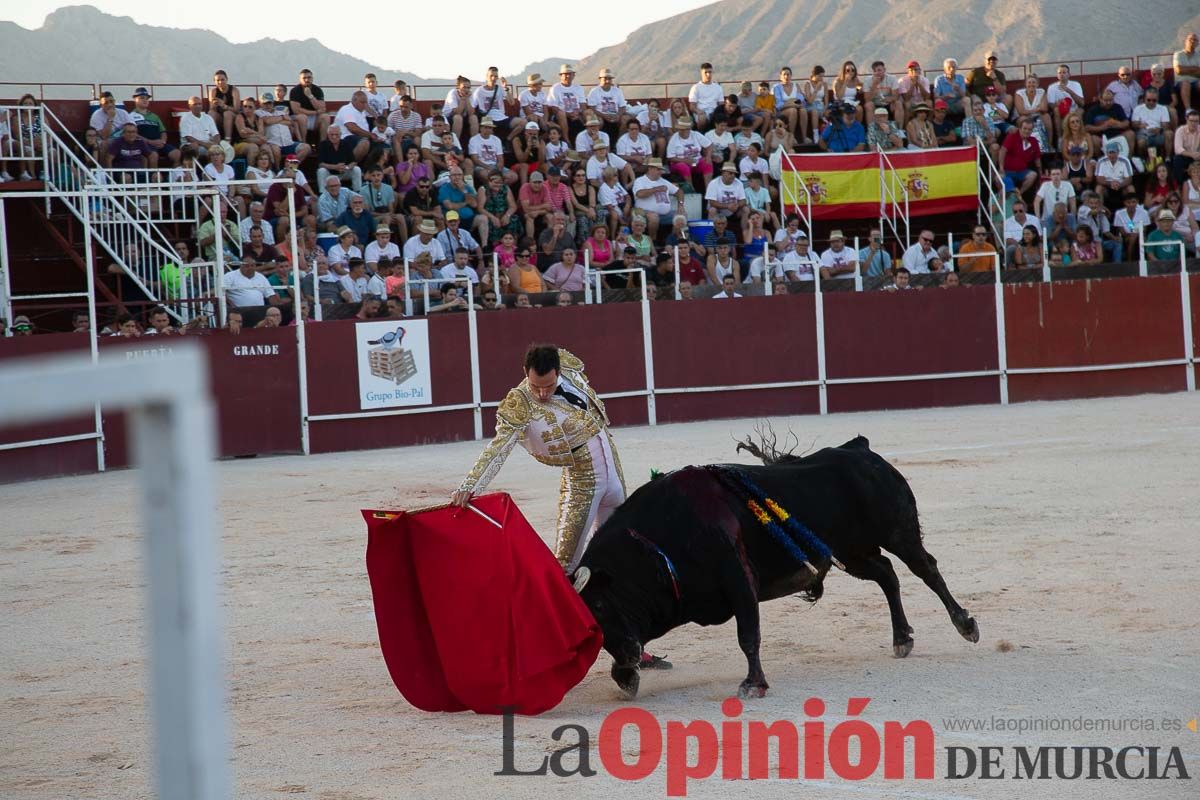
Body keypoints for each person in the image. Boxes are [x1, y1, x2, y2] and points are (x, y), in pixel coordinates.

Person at [451, 345, 646, 617]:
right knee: (565, 565)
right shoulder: (520, 402)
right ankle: (559, 629)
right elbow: (499, 447)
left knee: (617, 549)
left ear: (559, 371)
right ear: (525, 373)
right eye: (535, 386)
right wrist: (470, 485)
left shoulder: (569, 366)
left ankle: (621, 626)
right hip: (581, 478)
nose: (542, 394)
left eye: (549, 386)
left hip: (611, 464)